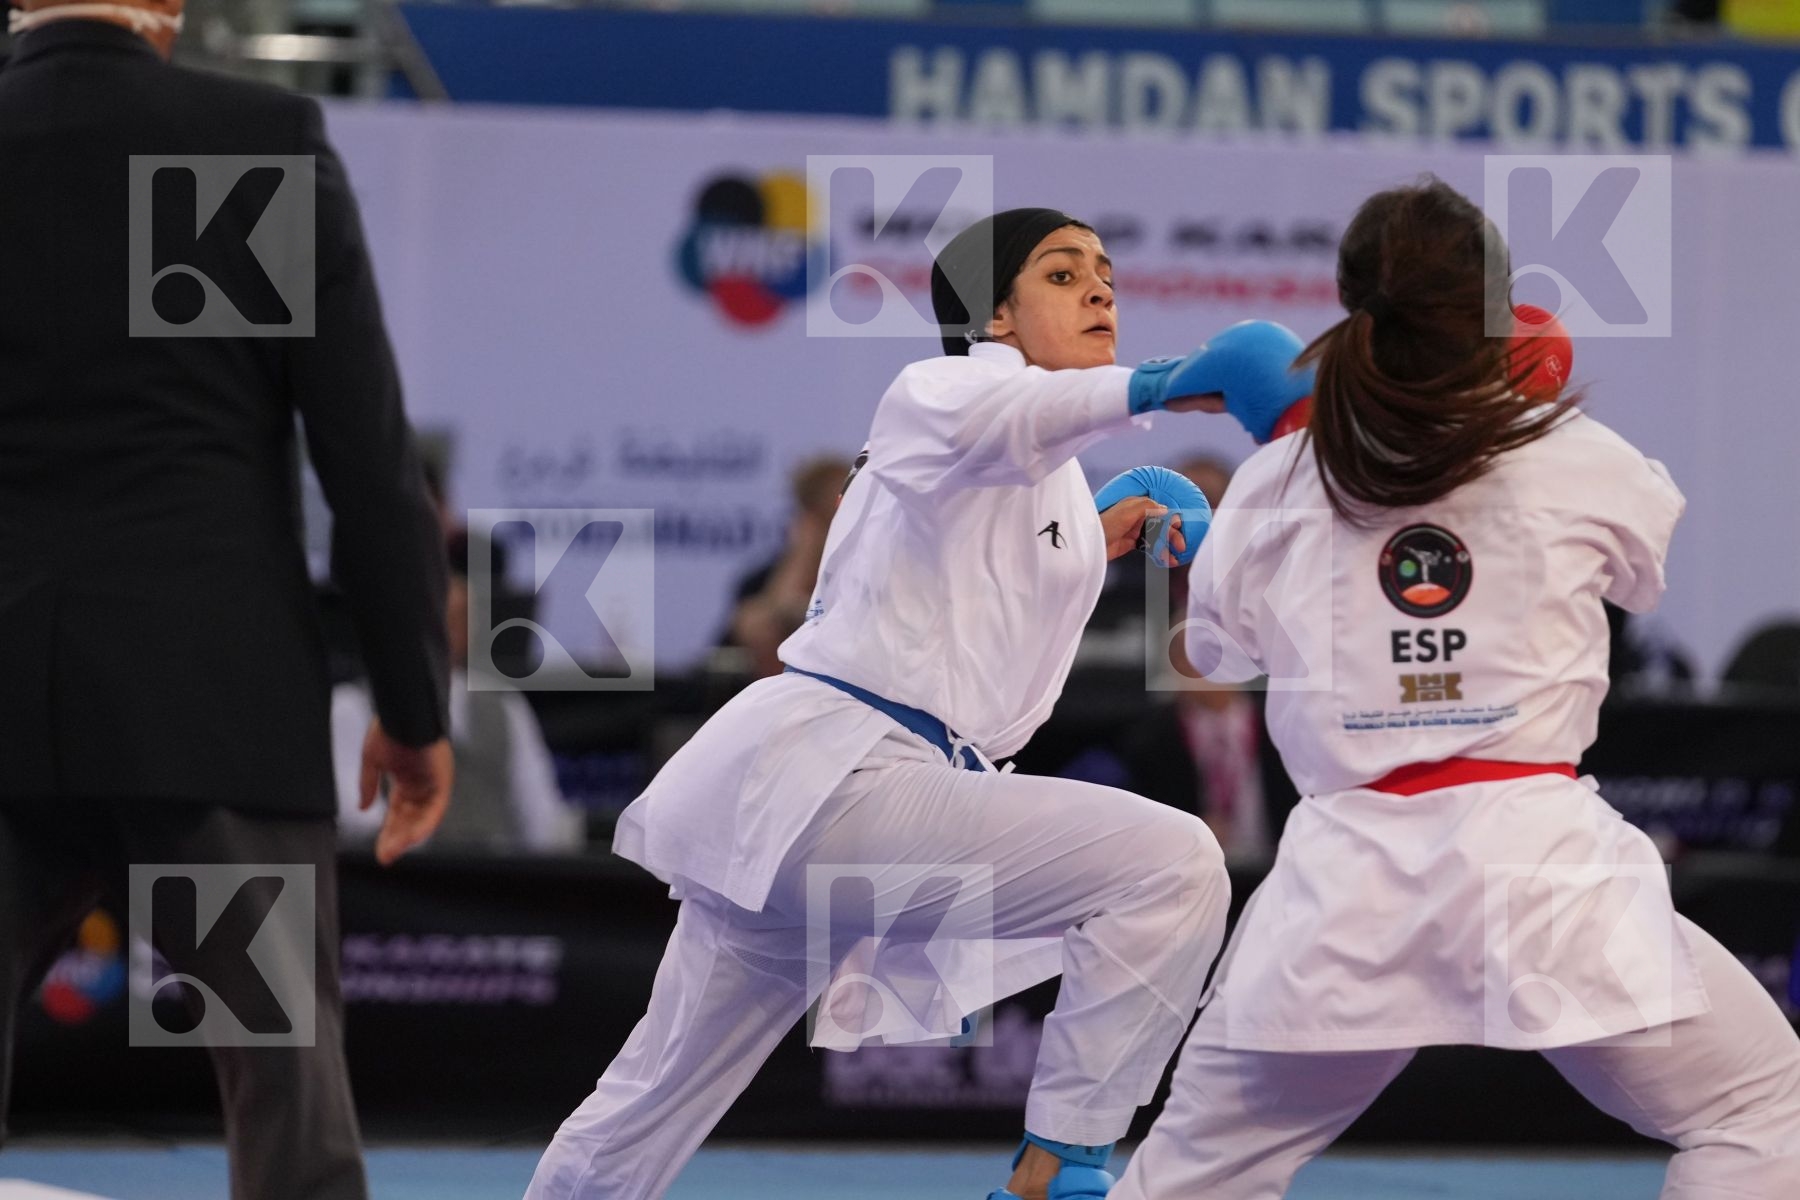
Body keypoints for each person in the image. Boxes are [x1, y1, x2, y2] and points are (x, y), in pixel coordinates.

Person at [526, 208, 1310, 1200]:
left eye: (1107, 274)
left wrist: (1106, 528)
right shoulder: (941, 388)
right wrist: (1167, 381)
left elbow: (996, 563)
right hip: (846, 776)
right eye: (1063, 274)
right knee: (1174, 864)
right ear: (996, 315)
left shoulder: (1048, 475)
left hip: (799, 801)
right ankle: (1058, 1167)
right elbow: (1008, 422)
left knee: (648, 1097)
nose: (1100, 289)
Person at [1113, 178, 1800, 1199]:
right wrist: (1509, 404)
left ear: (1353, 306)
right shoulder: (1571, 451)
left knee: (1187, 1177)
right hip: (1543, 871)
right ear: (1498, 310)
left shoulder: (1278, 479)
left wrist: (1291, 447)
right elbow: (1640, 573)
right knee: (1762, 1115)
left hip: (1347, 888)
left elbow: (1214, 653)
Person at [0, 6, 455, 1199]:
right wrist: (412, 709)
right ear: (166, 6)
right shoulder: (247, 140)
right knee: (287, 1109)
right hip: (206, 704)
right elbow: (365, 461)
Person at [333, 532, 584, 854]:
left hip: (497, 875)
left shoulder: (504, 707)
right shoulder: (351, 708)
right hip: (402, 876)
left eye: (453, 622)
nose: (439, 636)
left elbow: (542, 820)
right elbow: (356, 818)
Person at [721, 455, 854, 679]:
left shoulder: (865, 567)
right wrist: (803, 552)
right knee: (755, 621)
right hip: (792, 678)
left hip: (853, 670)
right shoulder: (758, 580)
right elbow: (780, 612)